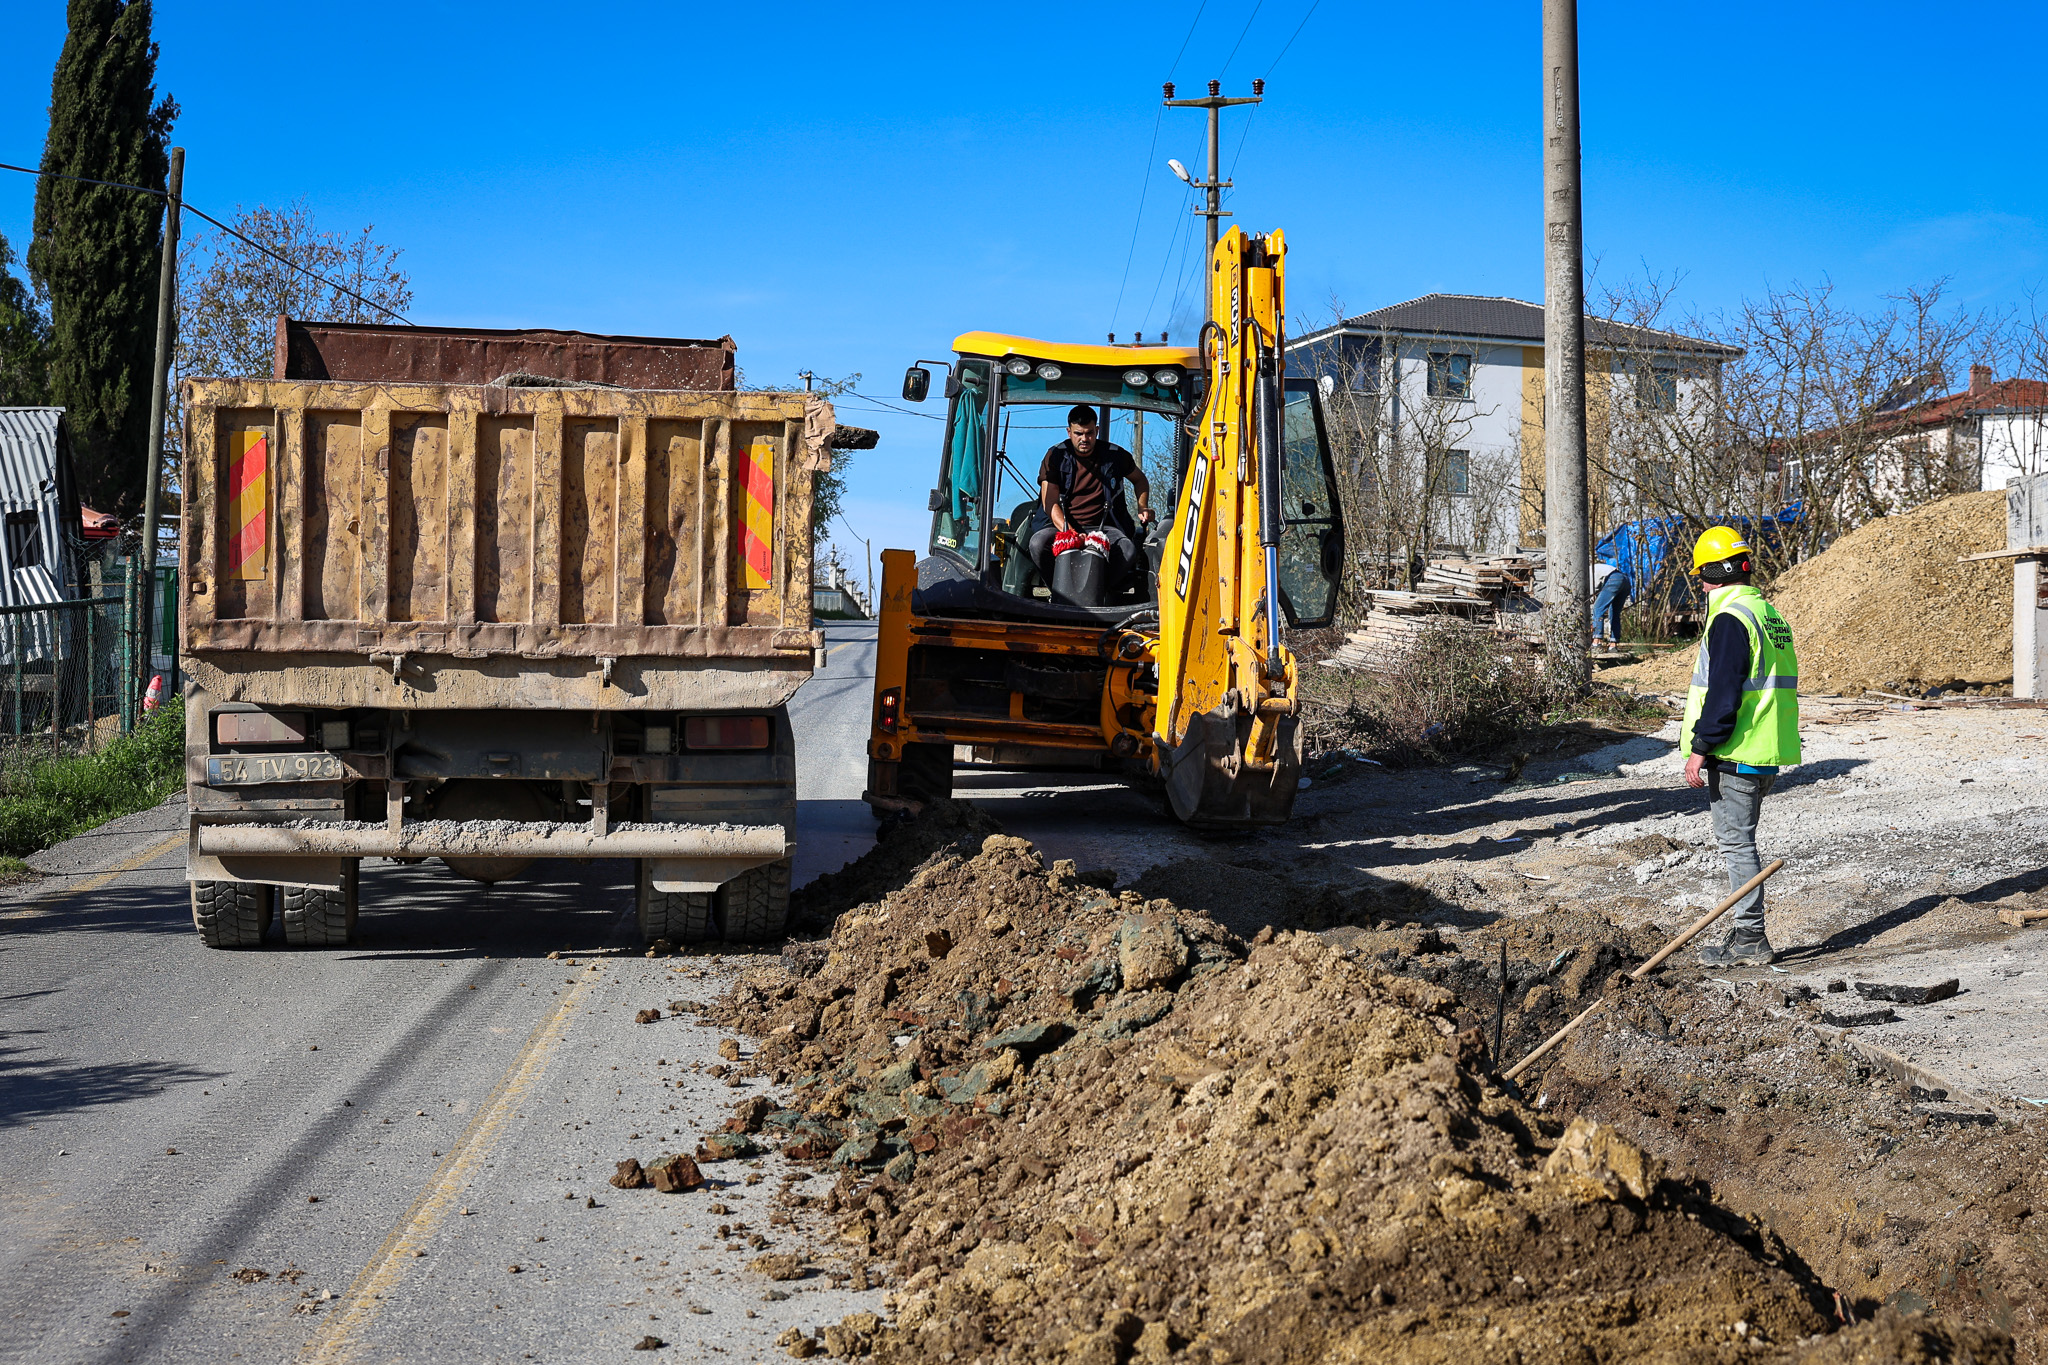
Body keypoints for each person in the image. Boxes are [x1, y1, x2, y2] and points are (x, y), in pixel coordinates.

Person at [1679, 526, 1801, 966]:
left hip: (1737, 751)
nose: (1701, 587)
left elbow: (1724, 693)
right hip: (1765, 750)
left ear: (1714, 574)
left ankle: (1750, 937)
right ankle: (1746, 934)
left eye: (1702, 577)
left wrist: (1701, 747)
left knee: (1737, 846)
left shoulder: (1730, 619)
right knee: (1742, 842)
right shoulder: (1768, 614)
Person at [1027, 405, 1154, 589]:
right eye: (1078, 433)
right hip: (1061, 527)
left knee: (1127, 550)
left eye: (1089, 433)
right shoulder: (1055, 456)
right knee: (1037, 544)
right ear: (1069, 432)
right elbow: (1050, 503)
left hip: (1105, 527)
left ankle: (1102, 591)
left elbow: (1140, 479)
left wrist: (1142, 506)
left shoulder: (1115, 455)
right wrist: (1071, 533)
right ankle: (1056, 590)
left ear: (1097, 430)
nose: (1084, 439)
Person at [1591, 558, 1631, 647]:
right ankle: (1613, 644)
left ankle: (1597, 642)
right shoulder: (1597, 568)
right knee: (1615, 612)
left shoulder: (1587, 573)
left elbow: (1590, 597)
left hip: (1613, 579)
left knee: (1598, 609)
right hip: (1625, 580)